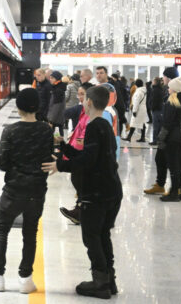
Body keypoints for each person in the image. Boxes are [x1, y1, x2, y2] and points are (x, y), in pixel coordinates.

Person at [42, 85, 123, 299]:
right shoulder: (104, 124)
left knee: (91, 238)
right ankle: (109, 280)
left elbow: (88, 160)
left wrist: (60, 165)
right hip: (112, 190)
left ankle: (100, 284)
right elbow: (92, 154)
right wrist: (65, 148)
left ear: (88, 102)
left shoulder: (94, 126)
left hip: (96, 193)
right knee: (102, 235)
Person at [0, 88, 51, 294]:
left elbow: (1, 162)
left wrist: (17, 169)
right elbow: (48, 159)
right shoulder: (46, 130)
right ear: (38, 106)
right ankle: (26, 279)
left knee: (1, 229)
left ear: (18, 107)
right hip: (37, 190)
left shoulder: (11, 131)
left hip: (14, 189)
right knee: (30, 232)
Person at [60, 82, 94, 225]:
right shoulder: (82, 111)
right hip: (76, 150)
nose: (79, 97)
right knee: (79, 181)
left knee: (81, 181)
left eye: (82, 94)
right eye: (79, 94)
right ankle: (79, 209)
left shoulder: (92, 115)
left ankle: (81, 211)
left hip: (82, 152)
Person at [144, 68, 177, 195]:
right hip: (167, 132)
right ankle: (160, 184)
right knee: (160, 159)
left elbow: (172, 117)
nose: (163, 79)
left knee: (173, 162)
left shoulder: (176, 95)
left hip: (172, 134)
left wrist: (163, 133)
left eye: (164, 77)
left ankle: (177, 188)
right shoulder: (167, 91)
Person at [158, 76, 181, 202]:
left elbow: (168, 123)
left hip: (172, 137)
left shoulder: (172, 101)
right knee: (179, 165)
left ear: (174, 89)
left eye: (170, 87)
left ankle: (174, 193)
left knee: (173, 166)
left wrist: (161, 137)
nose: (168, 89)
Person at [48, 71, 67, 136]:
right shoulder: (58, 87)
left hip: (55, 117)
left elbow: (56, 106)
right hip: (60, 116)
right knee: (60, 132)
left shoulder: (58, 90)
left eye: (52, 78)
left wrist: (51, 120)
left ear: (57, 79)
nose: (50, 79)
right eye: (50, 78)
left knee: (52, 135)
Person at [149, 78, 165, 146]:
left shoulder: (155, 90)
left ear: (155, 82)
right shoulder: (161, 89)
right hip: (160, 109)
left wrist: (152, 108)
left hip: (156, 110)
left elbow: (154, 100)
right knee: (160, 126)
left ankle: (155, 140)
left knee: (156, 126)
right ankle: (159, 140)